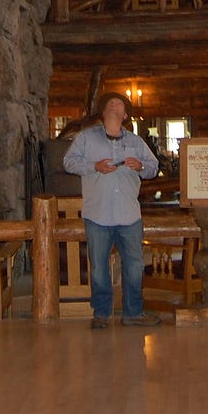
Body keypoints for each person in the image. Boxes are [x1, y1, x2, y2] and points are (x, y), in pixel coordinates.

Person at [62, 92, 161, 328]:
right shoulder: (86, 138)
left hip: (129, 214)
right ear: (103, 112)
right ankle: (101, 314)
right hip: (97, 214)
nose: (116, 106)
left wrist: (140, 166)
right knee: (98, 268)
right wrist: (93, 166)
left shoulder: (136, 142)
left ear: (125, 115)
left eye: (120, 105)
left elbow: (153, 167)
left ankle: (133, 313)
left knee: (135, 266)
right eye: (112, 103)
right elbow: (68, 162)